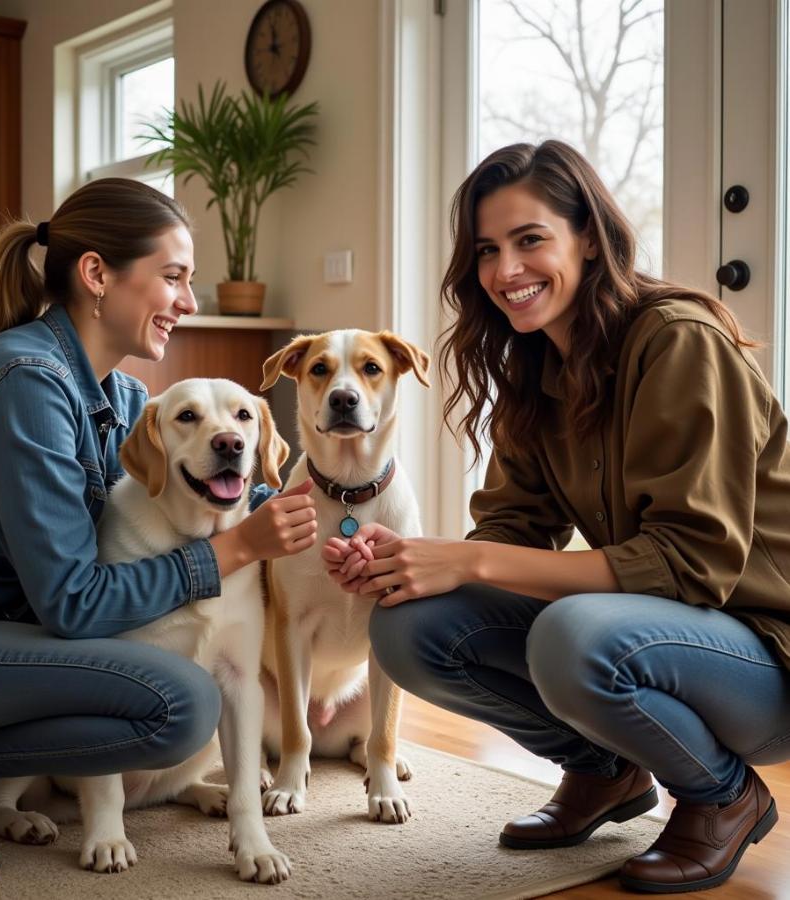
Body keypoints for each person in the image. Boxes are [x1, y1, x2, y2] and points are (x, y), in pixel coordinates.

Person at [323, 141, 790, 894]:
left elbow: (685, 567)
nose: (506, 271)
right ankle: (605, 770)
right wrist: (405, 562)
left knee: (574, 637)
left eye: (530, 239)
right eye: (486, 250)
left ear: (589, 238)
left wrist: (468, 561)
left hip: (764, 657)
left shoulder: (678, 341)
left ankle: (724, 793)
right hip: (667, 637)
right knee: (411, 626)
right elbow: (510, 532)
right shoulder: (532, 374)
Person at [0, 178, 317, 879]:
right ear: (96, 274)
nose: (185, 300)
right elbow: (73, 602)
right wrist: (238, 547)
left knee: (176, 692)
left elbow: (215, 484)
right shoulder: (25, 380)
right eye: (173, 277)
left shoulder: (119, 396)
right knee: (178, 705)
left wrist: (308, 517)